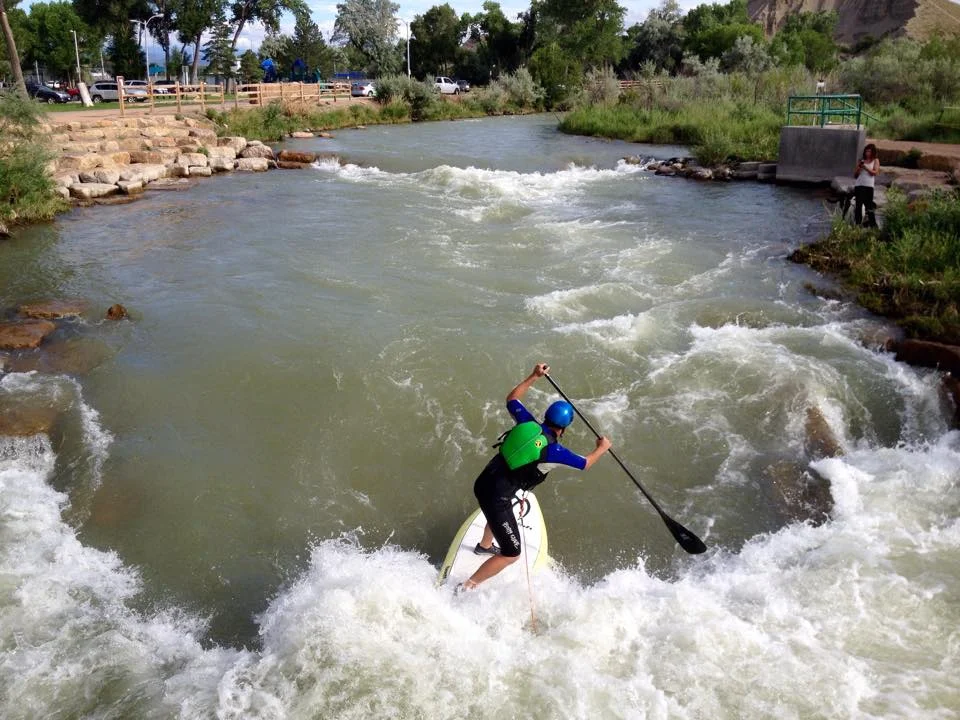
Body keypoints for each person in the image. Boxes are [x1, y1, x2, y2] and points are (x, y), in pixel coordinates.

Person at [457, 363, 612, 592]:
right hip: (496, 498)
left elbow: (512, 398)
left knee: (500, 511)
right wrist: (602, 448)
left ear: (546, 417)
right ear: (564, 429)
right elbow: (586, 463)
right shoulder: (554, 452)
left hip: (483, 483)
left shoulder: (526, 422)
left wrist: (535, 376)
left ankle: (485, 546)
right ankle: (466, 586)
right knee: (512, 554)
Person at [853, 143, 880, 227]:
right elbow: (855, 176)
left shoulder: (875, 160)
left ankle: (873, 226)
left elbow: (875, 173)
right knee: (858, 206)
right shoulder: (861, 161)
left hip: (869, 186)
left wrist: (866, 168)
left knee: (869, 206)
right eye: (866, 151)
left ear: (873, 152)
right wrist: (859, 168)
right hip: (859, 185)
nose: (867, 153)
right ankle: (857, 225)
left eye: (869, 151)